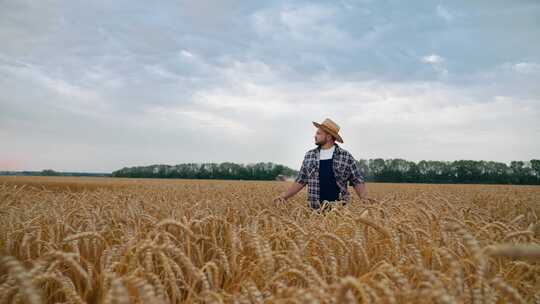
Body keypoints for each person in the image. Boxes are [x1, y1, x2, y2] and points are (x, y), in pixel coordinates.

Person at [273, 118, 375, 211]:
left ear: (329, 136)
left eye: (319, 133)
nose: (315, 136)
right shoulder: (310, 156)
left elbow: (357, 179)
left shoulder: (345, 156)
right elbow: (301, 180)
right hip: (314, 211)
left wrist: (365, 199)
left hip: (340, 213)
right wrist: (284, 197)